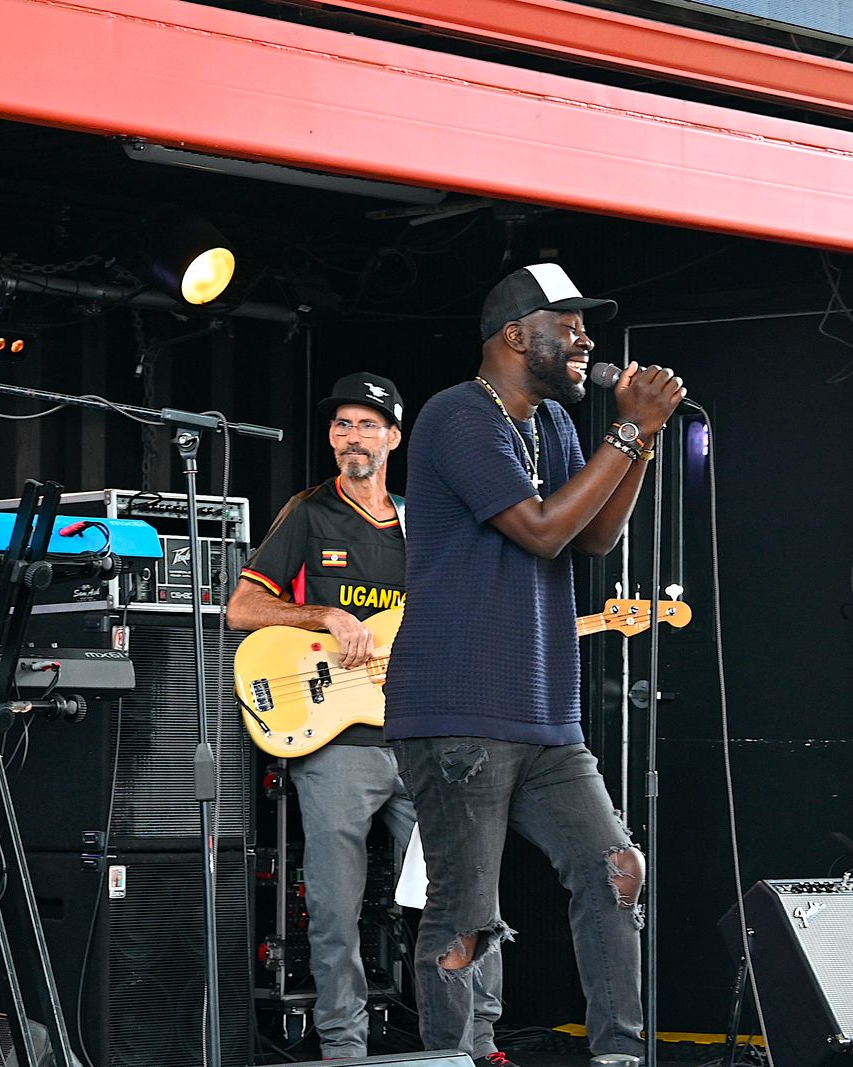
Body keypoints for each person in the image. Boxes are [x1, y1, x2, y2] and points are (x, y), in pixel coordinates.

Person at [383, 264, 683, 1064]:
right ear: (517, 335)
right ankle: (460, 1055)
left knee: (616, 868)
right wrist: (627, 433)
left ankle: (620, 1052)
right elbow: (544, 530)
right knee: (466, 912)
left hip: (545, 713)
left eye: (587, 326)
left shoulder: (551, 422)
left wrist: (642, 439)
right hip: (457, 710)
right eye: (569, 324)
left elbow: (595, 536)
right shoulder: (457, 415)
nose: (586, 339)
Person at [227, 373, 503, 1062]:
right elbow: (242, 609)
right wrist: (324, 613)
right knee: (333, 907)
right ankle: (343, 1047)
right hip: (337, 741)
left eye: (368, 425)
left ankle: (475, 1042)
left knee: (466, 890)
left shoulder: (423, 521)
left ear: (394, 438)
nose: (353, 436)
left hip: (420, 736)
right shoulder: (309, 511)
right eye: (343, 424)